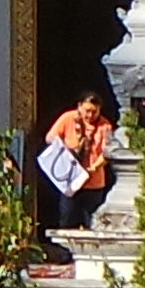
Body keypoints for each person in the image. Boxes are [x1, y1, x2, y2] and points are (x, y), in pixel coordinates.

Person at [38, 91, 115, 230]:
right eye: (87, 111)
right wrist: (65, 150)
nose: (90, 115)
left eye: (94, 112)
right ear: (79, 106)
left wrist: (94, 168)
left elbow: (107, 152)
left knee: (92, 224)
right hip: (70, 181)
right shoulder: (68, 118)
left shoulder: (105, 126)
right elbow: (50, 138)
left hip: (93, 183)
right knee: (67, 220)